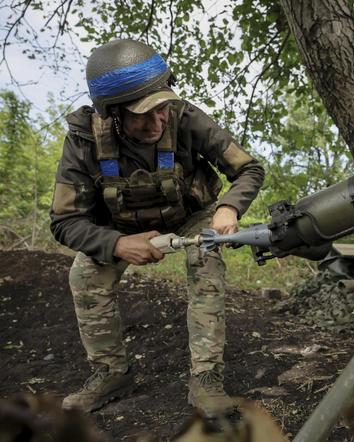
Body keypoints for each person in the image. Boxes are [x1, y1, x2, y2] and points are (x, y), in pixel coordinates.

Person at [49, 39, 265, 415]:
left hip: (191, 217)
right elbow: (65, 221)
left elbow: (248, 168)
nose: (157, 122)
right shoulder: (83, 140)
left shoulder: (184, 117)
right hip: (120, 229)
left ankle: (206, 378)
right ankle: (110, 372)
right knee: (84, 276)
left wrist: (228, 208)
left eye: (161, 108)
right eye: (141, 116)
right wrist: (117, 244)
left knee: (207, 259)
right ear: (113, 113)